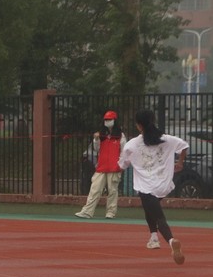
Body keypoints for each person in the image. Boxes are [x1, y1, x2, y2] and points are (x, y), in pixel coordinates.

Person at [118, 110, 188, 265]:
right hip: (163, 185)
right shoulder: (167, 139)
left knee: (158, 217)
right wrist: (180, 162)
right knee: (150, 208)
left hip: (146, 186)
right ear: (153, 120)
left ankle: (171, 241)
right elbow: (184, 146)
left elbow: (122, 165)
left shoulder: (132, 144)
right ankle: (153, 237)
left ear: (138, 125)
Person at [75, 110, 127, 219]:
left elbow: (124, 151)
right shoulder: (101, 135)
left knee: (112, 191)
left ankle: (110, 212)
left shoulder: (120, 135)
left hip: (114, 167)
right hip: (101, 166)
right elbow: (96, 148)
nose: (107, 121)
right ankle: (87, 211)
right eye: (106, 120)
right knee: (95, 189)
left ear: (115, 120)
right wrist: (96, 139)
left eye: (109, 119)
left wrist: (121, 165)